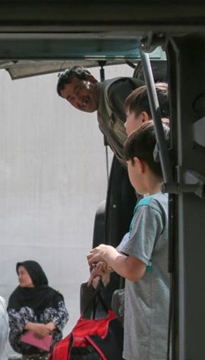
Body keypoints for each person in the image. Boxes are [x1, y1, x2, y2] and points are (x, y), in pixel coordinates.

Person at [87, 121, 170, 360]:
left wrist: (108, 253)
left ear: (137, 164)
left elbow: (135, 269)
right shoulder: (180, 201)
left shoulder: (149, 207)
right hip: (179, 329)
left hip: (152, 329)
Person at [57, 66, 143, 304]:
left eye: (78, 90)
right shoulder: (101, 115)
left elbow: (147, 134)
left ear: (92, 80)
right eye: (70, 99)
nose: (78, 100)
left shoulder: (115, 91)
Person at [7, 261, 69, 360]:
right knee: (26, 312)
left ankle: (45, 354)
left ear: (34, 273)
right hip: (23, 342)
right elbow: (12, 316)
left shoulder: (52, 295)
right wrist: (34, 327)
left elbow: (63, 314)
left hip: (49, 338)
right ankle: (29, 355)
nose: (20, 277)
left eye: (23, 273)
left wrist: (49, 326)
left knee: (49, 312)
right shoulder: (17, 296)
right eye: (19, 274)